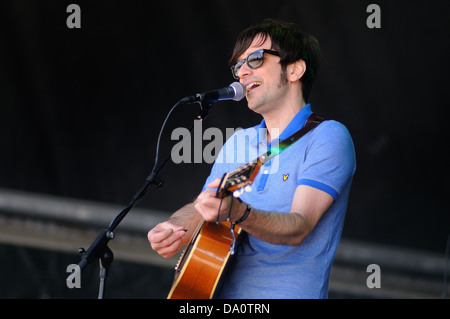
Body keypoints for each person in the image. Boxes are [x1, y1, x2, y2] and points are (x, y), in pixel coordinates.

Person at [147, 19, 356, 299]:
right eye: (238, 66)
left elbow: (299, 227)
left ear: (294, 69)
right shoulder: (239, 141)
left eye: (255, 60)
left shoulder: (329, 136)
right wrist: (174, 228)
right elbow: (203, 207)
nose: (242, 73)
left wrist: (237, 212)